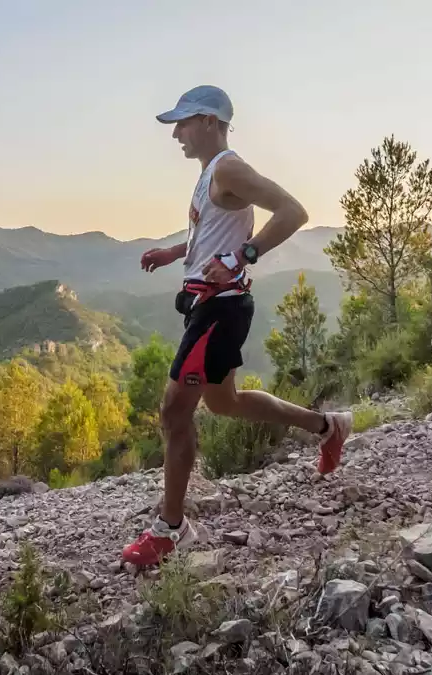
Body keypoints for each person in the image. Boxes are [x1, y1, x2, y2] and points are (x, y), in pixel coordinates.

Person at [121, 85, 354, 566]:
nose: (177, 135)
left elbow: (293, 212)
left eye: (183, 123)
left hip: (219, 308)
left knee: (174, 412)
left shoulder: (228, 167)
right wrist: (175, 253)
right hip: (210, 305)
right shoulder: (211, 174)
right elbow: (211, 234)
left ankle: (171, 530)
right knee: (224, 403)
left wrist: (243, 257)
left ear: (209, 121)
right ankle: (327, 426)